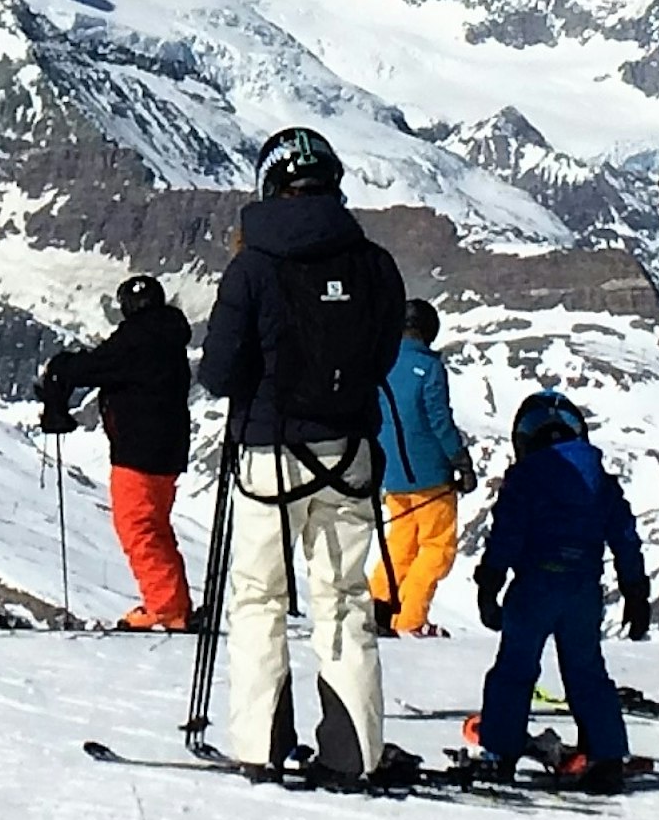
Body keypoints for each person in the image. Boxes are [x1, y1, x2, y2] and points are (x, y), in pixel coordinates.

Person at [196, 130, 408, 780]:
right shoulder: (372, 262)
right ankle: (356, 753)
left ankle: (260, 746)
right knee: (343, 597)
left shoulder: (253, 265)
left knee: (260, 597)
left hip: (269, 452)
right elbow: (383, 356)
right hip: (348, 452)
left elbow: (220, 371)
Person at [471, 390, 650, 790]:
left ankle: (500, 753)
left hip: (534, 585)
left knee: (515, 670)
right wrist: (635, 589)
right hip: (583, 589)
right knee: (587, 671)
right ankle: (606, 755)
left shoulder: (526, 476)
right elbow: (624, 536)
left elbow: (507, 535)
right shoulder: (599, 479)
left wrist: (490, 582)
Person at [40, 273, 194, 630]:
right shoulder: (171, 337)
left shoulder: (135, 337)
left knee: (137, 527)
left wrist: (61, 366)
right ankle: (173, 604)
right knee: (156, 526)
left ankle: (165, 608)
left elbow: (95, 366)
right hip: (168, 450)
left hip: (137, 450)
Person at [370, 300, 478, 636]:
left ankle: (377, 606)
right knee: (436, 547)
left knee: (400, 542)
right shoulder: (429, 367)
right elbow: (438, 419)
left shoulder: (381, 363)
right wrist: (460, 461)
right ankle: (410, 620)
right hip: (430, 474)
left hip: (393, 473)